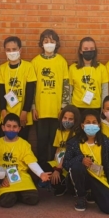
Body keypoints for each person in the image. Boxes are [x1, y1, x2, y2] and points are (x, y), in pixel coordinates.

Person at [0, 113, 51, 208]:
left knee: (33, 199)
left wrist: (41, 173)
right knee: (6, 201)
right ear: (3, 128)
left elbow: (31, 162)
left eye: (15, 127)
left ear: (19, 129)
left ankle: (18, 193)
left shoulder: (24, 144)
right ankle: (15, 194)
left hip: (22, 176)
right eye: (8, 126)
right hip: (5, 178)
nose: (11, 129)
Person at [63, 109, 109, 214]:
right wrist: (81, 159)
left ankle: (93, 193)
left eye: (94, 122)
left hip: (99, 178)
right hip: (83, 177)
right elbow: (66, 163)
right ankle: (81, 196)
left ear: (99, 125)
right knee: (77, 166)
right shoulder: (74, 142)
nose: (91, 125)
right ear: (82, 125)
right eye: (88, 122)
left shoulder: (106, 142)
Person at [31, 29, 70, 161]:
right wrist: (33, 107)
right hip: (41, 112)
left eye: (52, 41)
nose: (49, 44)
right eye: (46, 41)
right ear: (41, 43)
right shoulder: (35, 62)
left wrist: (64, 108)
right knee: (41, 144)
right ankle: (42, 174)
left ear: (57, 43)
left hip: (57, 112)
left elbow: (66, 86)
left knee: (56, 145)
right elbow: (32, 86)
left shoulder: (61, 61)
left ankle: (55, 174)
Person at [0, 36, 37, 141]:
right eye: (8, 50)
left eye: (14, 49)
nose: (11, 52)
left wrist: (25, 111)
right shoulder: (2, 68)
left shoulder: (28, 67)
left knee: (22, 142)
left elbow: (30, 91)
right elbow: (1, 91)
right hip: (7, 113)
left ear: (20, 50)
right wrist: (3, 111)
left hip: (23, 114)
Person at [40, 105, 80, 196]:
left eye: (70, 119)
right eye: (65, 118)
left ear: (76, 120)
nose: (67, 121)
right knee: (44, 165)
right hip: (58, 162)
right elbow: (58, 149)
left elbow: (70, 154)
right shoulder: (59, 131)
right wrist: (54, 166)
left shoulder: (76, 134)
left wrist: (58, 169)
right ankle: (61, 184)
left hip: (68, 164)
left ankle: (66, 184)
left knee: (61, 175)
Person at [69, 37, 109, 114]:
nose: (89, 51)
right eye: (86, 49)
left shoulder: (101, 68)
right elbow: (70, 90)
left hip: (95, 107)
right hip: (77, 107)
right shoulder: (73, 68)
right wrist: (70, 109)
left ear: (95, 50)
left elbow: (105, 91)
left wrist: (103, 109)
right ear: (81, 51)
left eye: (91, 49)